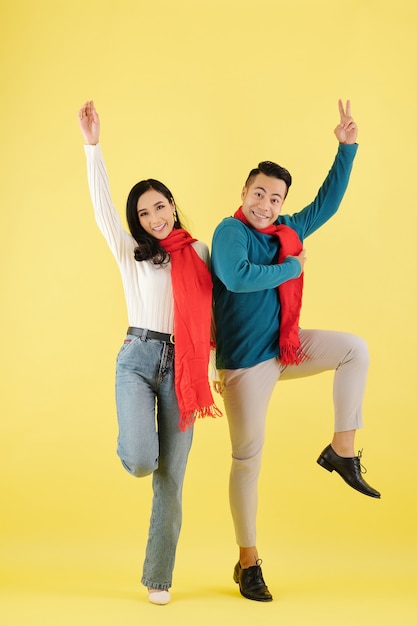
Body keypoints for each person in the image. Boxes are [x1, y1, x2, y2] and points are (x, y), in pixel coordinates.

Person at [210, 100, 381, 603]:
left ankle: (342, 449)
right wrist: (293, 268)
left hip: (286, 346)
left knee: (355, 349)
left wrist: (346, 148)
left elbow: (327, 203)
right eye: (258, 193)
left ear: (284, 203)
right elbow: (236, 279)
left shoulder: (287, 231)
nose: (266, 203)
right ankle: (248, 563)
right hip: (245, 364)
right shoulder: (230, 232)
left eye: (275, 198)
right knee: (248, 460)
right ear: (244, 192)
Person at [78, 100, 220, 605]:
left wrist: (215, 364)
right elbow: (101, 208)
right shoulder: (131, 255)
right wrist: (93, 147)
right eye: (143, 212)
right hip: (138, 358)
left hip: (185, 366)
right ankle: (135, 443)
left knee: (171, 479)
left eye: (160, 206)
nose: (154, 217)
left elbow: (216, 314)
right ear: (136, 222)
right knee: (142, 461)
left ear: (173, 205)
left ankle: (158, 576)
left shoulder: (200, 251)